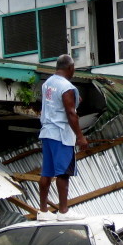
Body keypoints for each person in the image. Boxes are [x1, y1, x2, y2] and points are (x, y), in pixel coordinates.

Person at [38, 54, 89, 221]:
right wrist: (80, 137)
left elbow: (57, 103)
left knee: (47, 172)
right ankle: (63, 211)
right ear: (70, 68)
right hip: (61, 134)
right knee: (63, 173)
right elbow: (71, 113)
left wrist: (75, 100)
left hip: (47, 132)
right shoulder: (66, 87)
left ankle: (43, 211)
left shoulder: (48, 84)